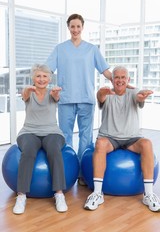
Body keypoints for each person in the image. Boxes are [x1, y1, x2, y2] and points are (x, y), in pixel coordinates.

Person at [45, 13, 112, 184]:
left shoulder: (92, 49)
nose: (75, 29)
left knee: (85, 137)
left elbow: (105, 71)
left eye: (78, 26)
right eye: (72, 26)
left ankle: (82, 173)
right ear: (68, 27)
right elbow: (47, 71)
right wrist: (36, 82)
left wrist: (120, 81)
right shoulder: (60, 49)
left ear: (82, 27)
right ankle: (69, 171)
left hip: (86, 99)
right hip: (66, 98)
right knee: (65, 136)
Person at [84, 65, 160, 212]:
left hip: (132, 138)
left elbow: (138, 96)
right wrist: (101, 92)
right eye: (116, 77)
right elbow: (101, 97)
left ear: (128, 79)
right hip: (109, 137)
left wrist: (142, 95)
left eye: (123, 77)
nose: (120, 80)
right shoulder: (106, 93)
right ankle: (97, 193)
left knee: (147, 144)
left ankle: (149, 194)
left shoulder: (134, 92)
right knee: (99, 144)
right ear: (112, 80)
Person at [13, 64, 68, 214]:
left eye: (45, 76)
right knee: (29, 152)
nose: (41, 79)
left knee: (54, 150)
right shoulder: (28, 92)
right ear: (33, 78)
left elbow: (56, 97)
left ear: (49, 78)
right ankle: (21, 196)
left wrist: (56, 93)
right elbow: (24, 95)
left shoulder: (52, 92)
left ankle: (59, 194)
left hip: (52, 132)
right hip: (29, 132)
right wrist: (27, 90)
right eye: (38, 76)